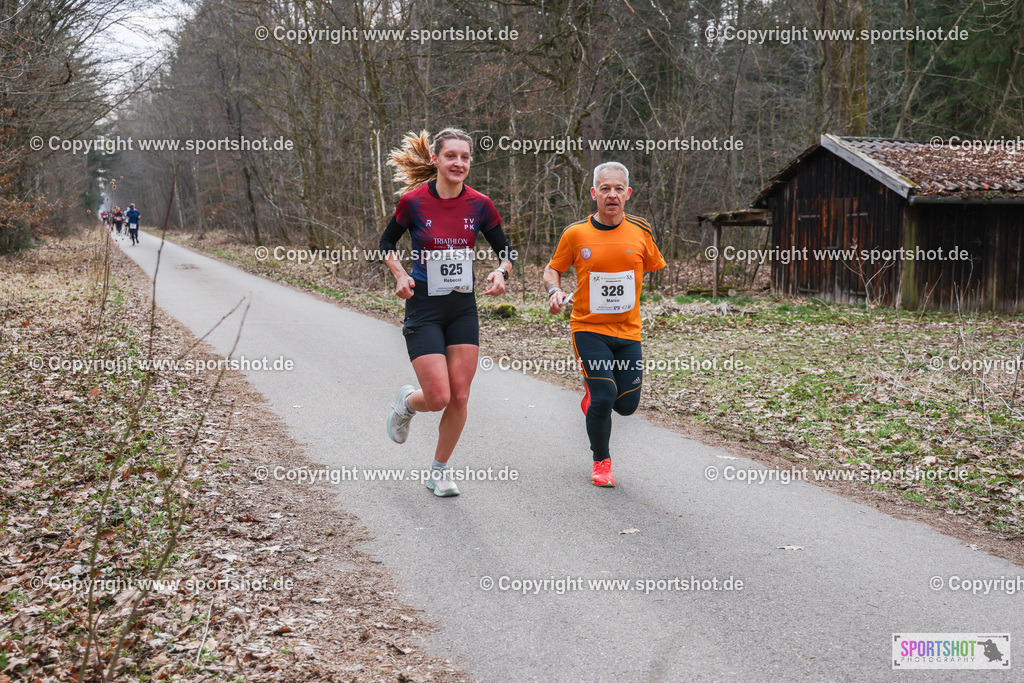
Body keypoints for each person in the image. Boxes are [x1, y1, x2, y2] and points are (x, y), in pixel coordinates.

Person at [379, 128, 515, 497]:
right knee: (437, 396)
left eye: (465, 157)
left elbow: (506, 251)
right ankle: (407, 403)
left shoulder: (480, 204)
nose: (458, 163)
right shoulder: (414, 202)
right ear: (436, 159)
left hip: (462, 308)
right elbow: (387, 242)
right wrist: (400, 274)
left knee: (460, 397)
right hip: (424, 307)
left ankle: (438, 471)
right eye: (451, 156)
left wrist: (501, 272)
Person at [543, 162, 666, 487]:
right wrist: (555, 292)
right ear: (594, 193)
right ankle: (601, 462)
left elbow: (651, 264)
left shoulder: (641, 231)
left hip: (629, 332)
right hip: (588, 329)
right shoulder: (576, 234)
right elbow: (552, 269)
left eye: (618, 189)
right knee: (604, 394)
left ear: (628, 193)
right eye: (605, 188)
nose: (612, 195)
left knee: (626, 405)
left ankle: (594, 398)